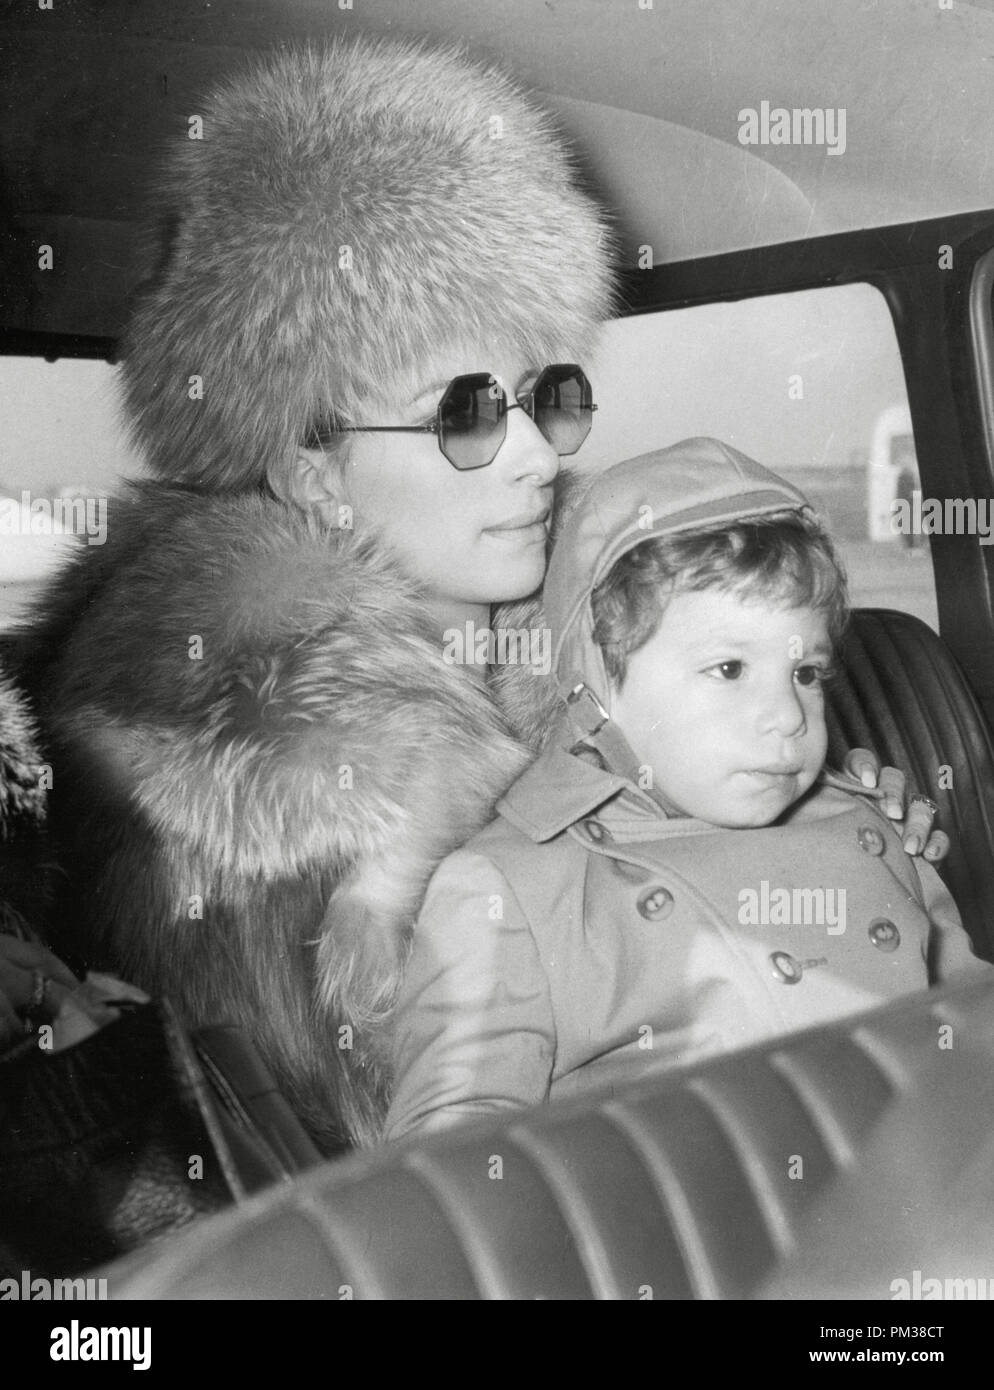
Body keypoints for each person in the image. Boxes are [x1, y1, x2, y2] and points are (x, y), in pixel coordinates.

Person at [12, 40, 942, 1152]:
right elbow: (409, 1166)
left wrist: (829, 824)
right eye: (463, 411)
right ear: (315, 471)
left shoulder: (611, 635)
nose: (536, 457)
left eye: (545, 395)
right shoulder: (258, 785)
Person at [383, 439, 989, 1141]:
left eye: (806, 673)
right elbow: (448, 1171)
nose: (789, 717)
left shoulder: (876, 828)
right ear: (595, 685)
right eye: (729, 669)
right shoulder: (509, 890)